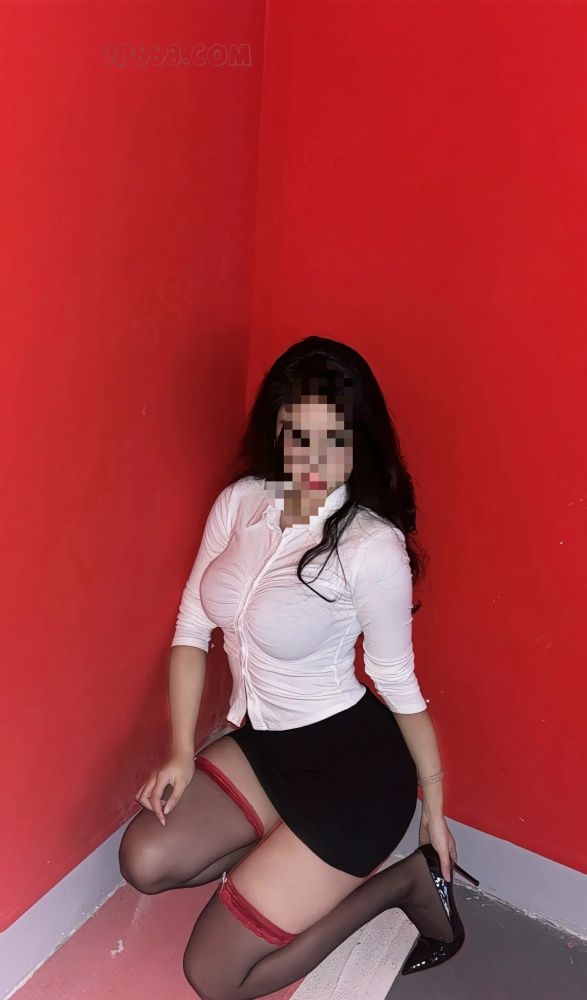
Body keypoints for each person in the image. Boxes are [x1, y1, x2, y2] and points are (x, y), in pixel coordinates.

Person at [118, 335, 479, 998]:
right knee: (143, 860)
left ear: (357, 440)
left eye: (333, 440)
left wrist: (434, 806)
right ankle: (286, 851)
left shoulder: (370, 545)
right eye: (297, 436)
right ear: (277, 429)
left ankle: (400, 885)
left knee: (215, 978)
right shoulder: (241, 503)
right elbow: (192, 629)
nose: (313, 461)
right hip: (266, 747)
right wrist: (179, 752)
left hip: (353, 777)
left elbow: (399, 685)